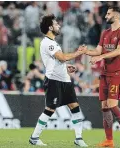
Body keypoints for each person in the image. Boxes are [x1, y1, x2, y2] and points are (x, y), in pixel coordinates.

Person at [29, 14, 88, 147]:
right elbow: (61, 57)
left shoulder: (53, 42)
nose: (59, 26)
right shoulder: (48, 43)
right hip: (54, 81)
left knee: (75, 106)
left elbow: (56, 61)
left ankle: (78, 138)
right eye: (56, 24)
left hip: (65, 80)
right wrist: (79, 53)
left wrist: (66, 67)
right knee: (50, 109)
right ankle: (34, 137)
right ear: (50, 27)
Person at [83, 6, 120, 147]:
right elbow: (98, 50)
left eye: (108, 14)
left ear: (116, 16)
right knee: (105, 107)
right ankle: (109, 140)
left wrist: (101, 57)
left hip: (118, 73)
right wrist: (86, 52)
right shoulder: (105, 33)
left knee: (112, 104)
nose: (106, 16)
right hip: (105, 74)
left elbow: (119, 51)